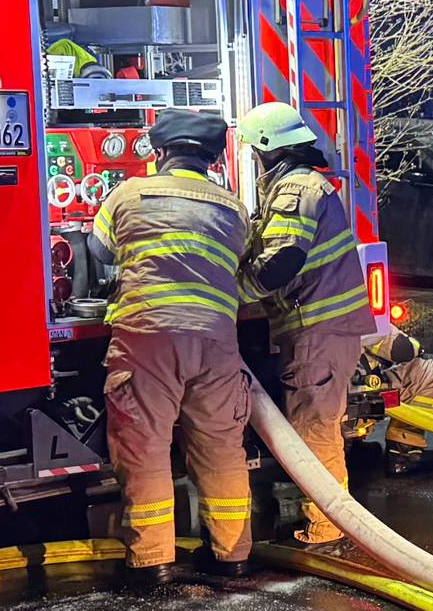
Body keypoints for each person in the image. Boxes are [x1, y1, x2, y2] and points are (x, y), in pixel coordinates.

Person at [89, 109, 255, 580]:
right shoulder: (233, 207)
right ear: (213, 159)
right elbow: (240, 258)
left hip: (149, 337)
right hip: (217, 339)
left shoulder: (128, 193)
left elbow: (99, 250)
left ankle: (152, 561)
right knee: (221, 446)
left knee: (145, 447)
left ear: (159, 152)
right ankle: (233, 556)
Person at [238, 102, 373, 549]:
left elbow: (281, 260)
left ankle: (326, 527)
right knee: (318, 427)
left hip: (317, 330)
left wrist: (232, 295)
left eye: (254, 151)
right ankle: (329, 520)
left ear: (268, 148)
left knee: (315, 430)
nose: (252, 159)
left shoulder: (296, 189)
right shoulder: (304, 184)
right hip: (321, 328)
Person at [352, 325, 433, 476]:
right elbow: (404, 350)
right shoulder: (357, 315)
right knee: (429, 366)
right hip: (365, 402)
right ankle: (404, 453)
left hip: (318, 406)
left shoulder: (313, 317)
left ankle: (350, 447)